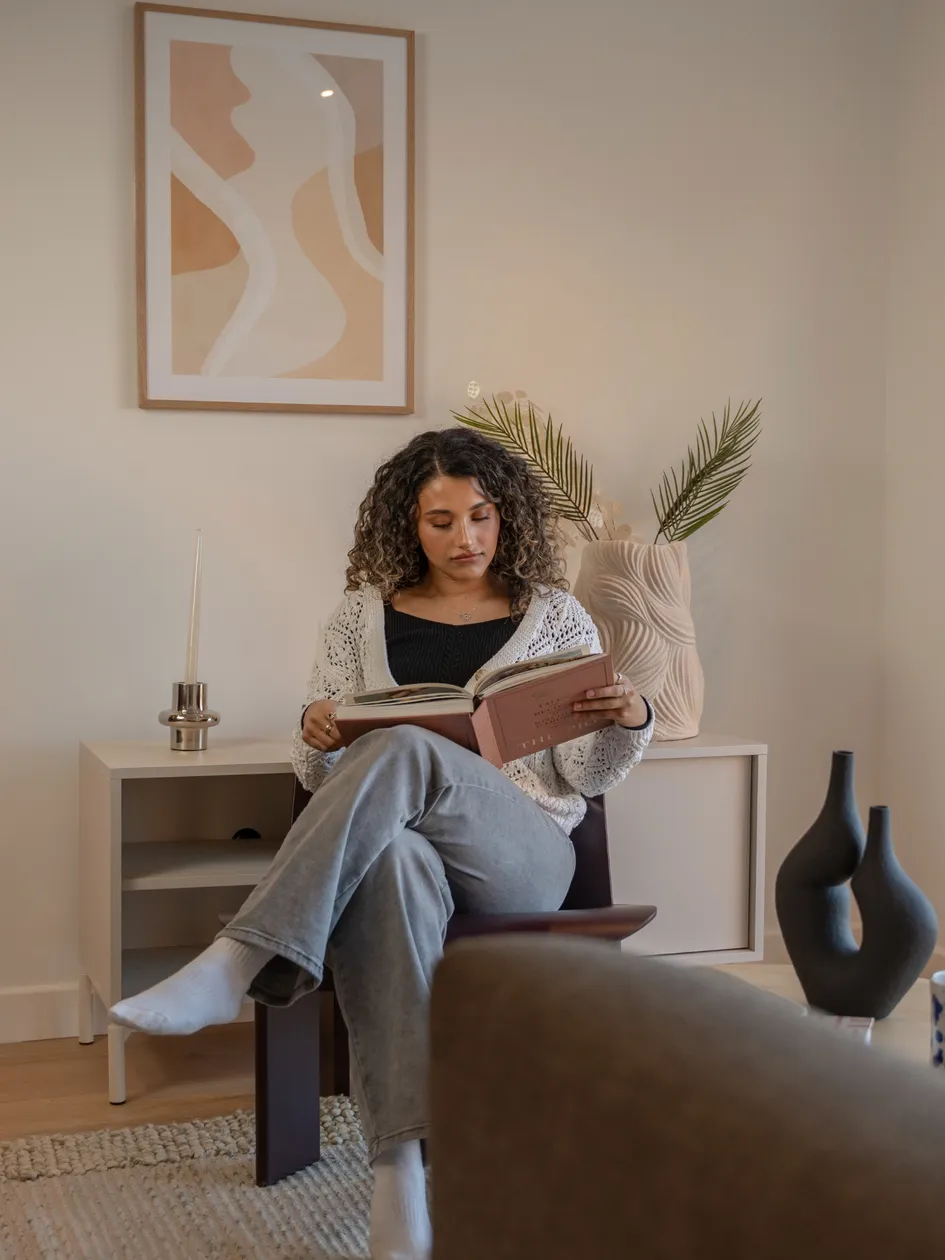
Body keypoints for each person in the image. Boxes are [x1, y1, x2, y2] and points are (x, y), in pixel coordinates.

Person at [110, 428, 653, 1260]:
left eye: (480, 516)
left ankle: (238, 959)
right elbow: (319, 766)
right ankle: (399, 1178)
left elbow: (584, 775)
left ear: (505, 516)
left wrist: (628, 720)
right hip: (408, 853)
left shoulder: (555, 615)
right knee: (391, 860)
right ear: (408, 523)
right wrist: (315, 730)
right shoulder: (356, 618)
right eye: (440, 521)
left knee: (400, 747)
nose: (464, 538)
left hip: (524, 852)